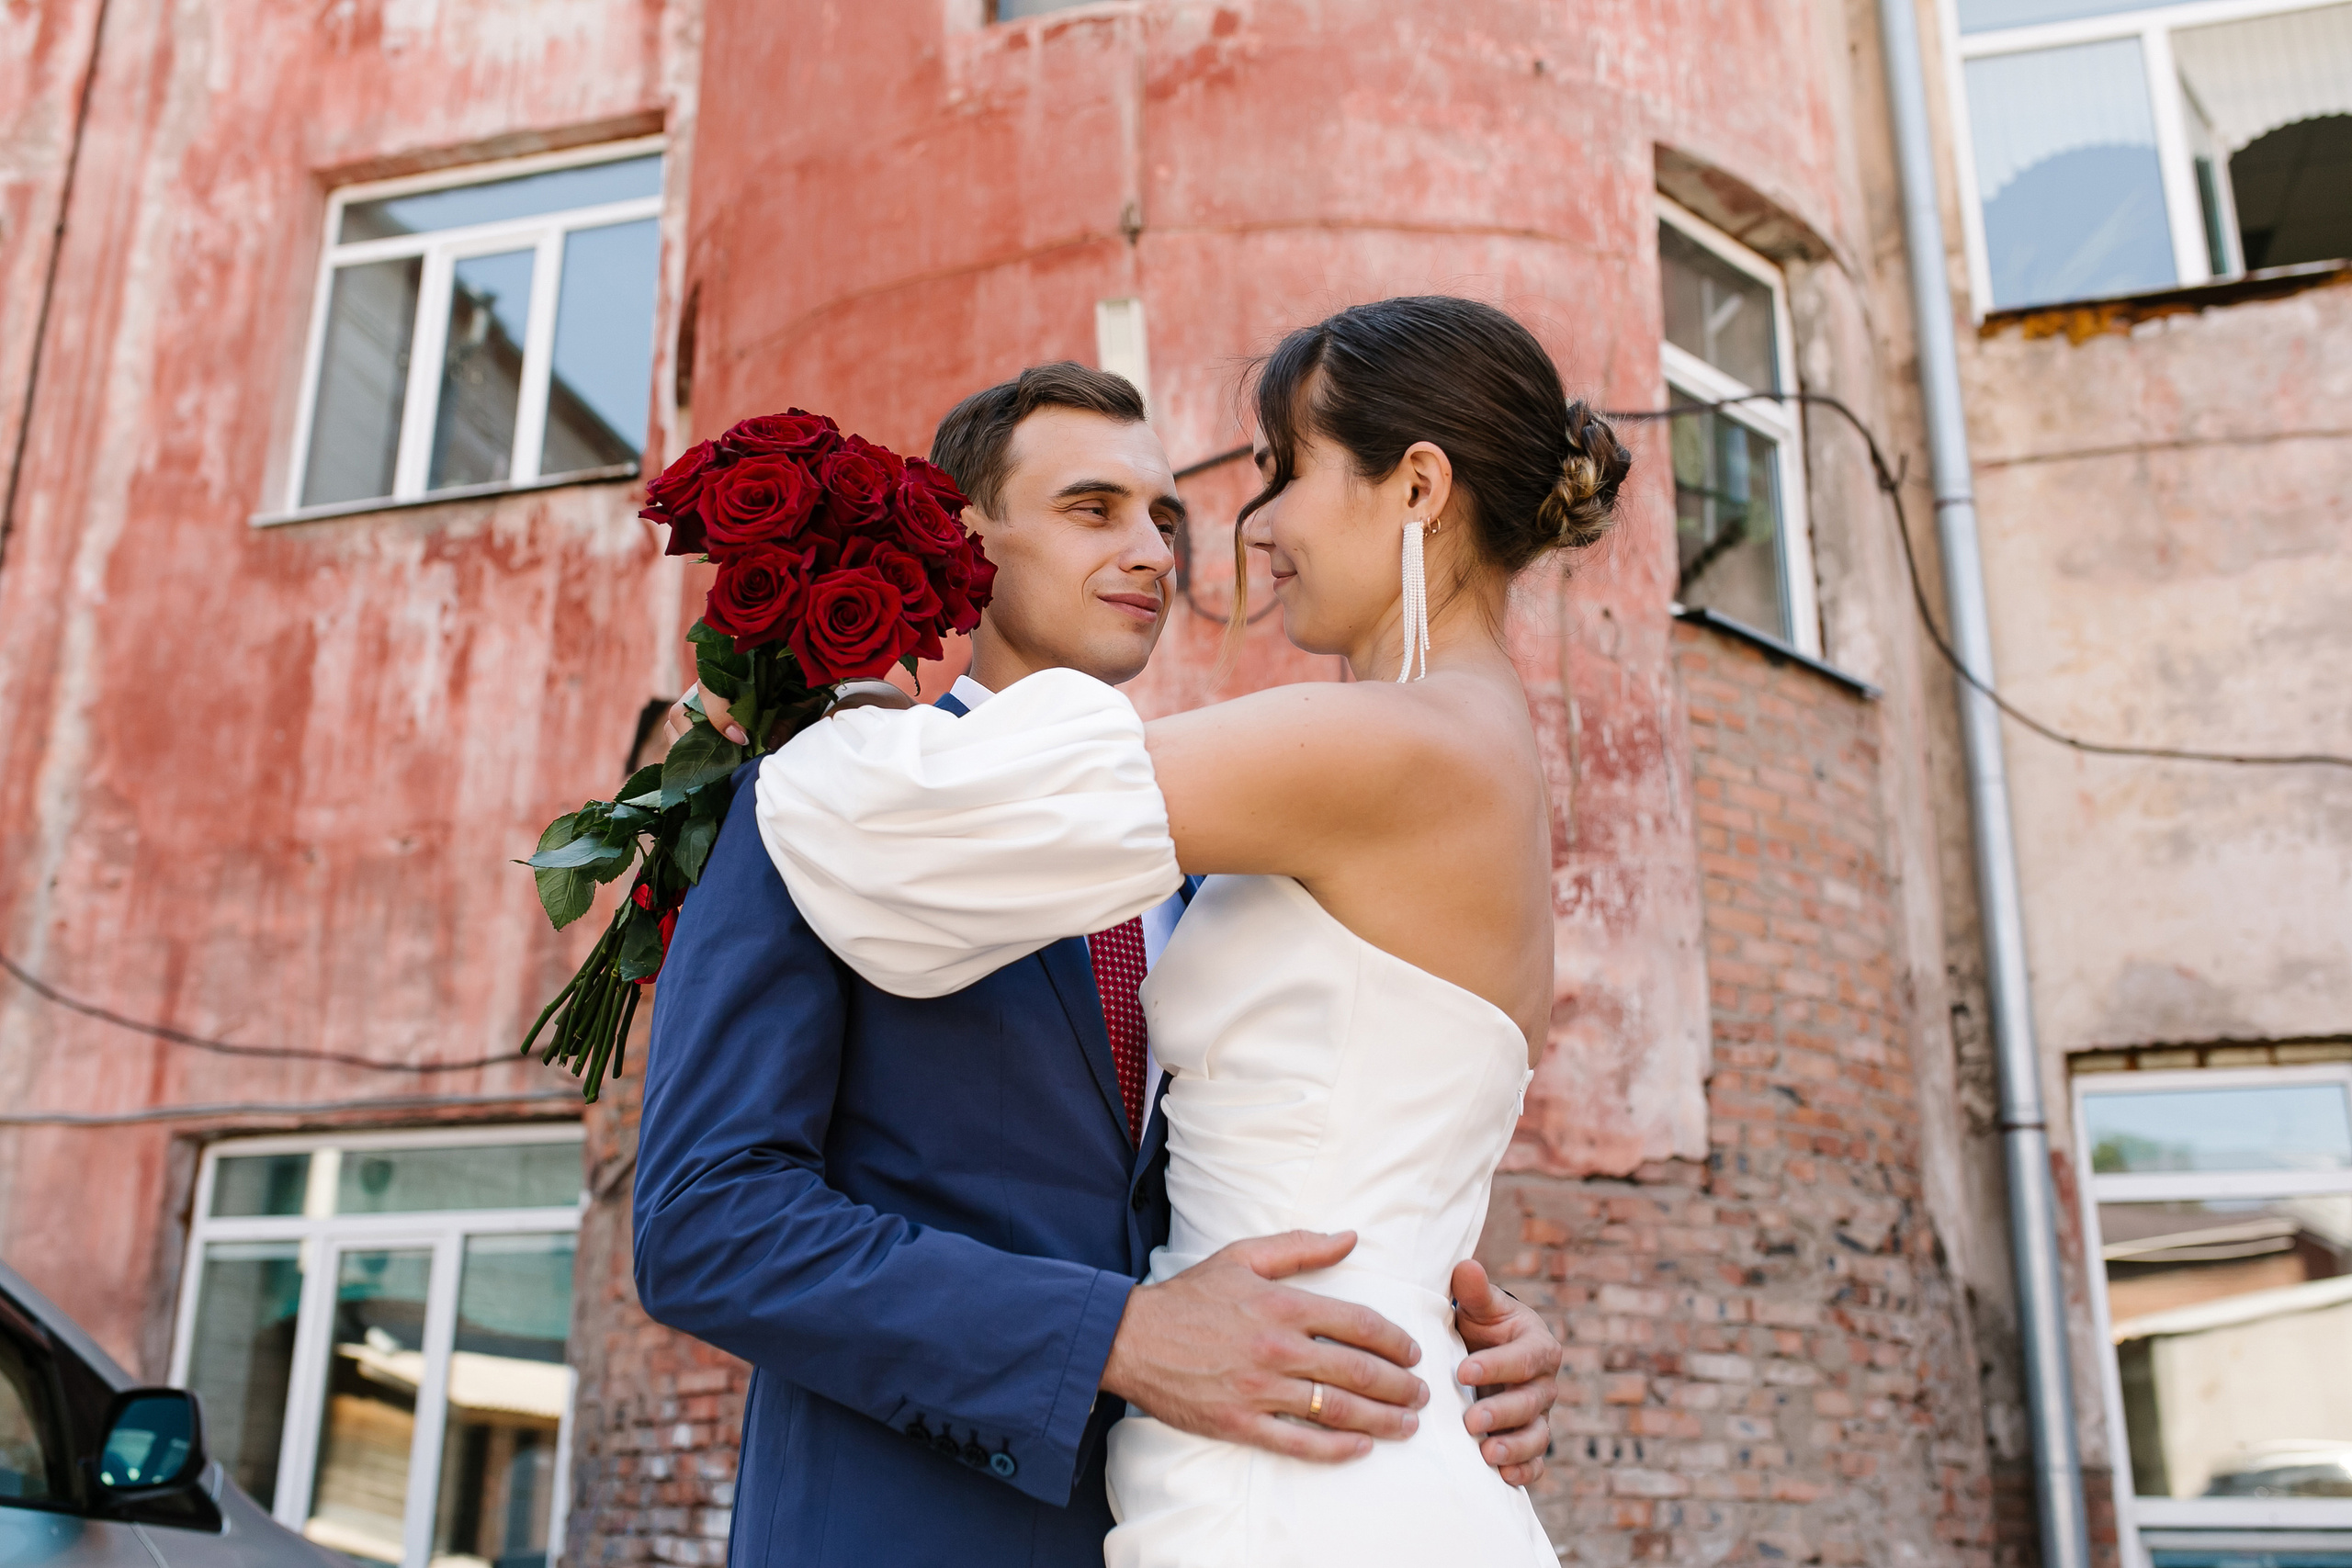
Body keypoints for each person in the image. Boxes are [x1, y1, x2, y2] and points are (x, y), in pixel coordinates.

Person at [631, 360, 1565, 1568]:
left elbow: (1282, 1165)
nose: (1155, 552)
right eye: (1093, 509)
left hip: (1208, 1516)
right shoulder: (836, 810)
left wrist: (1457, 1327)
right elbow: (706, 1225)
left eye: (1166, 518)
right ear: (968, 538)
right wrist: (1114, 1336)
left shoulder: (1226, 875)